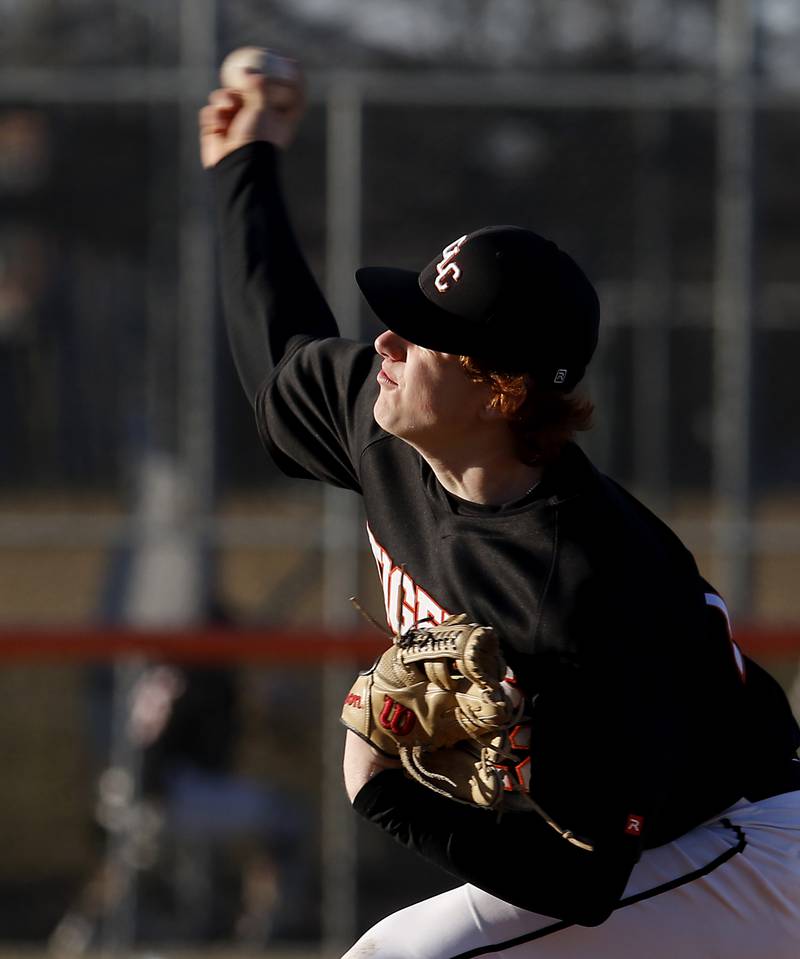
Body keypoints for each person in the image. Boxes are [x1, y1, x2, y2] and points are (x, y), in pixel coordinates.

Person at [198, 64, 800, 958]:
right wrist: (245, 163)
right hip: (651, 838)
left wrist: (384, 794)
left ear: (499, 389)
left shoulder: (580, 584)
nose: (388, 341)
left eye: (423, 335)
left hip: (748, 845)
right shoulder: (389, 422)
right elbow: (280, 358)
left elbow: (588, 878)